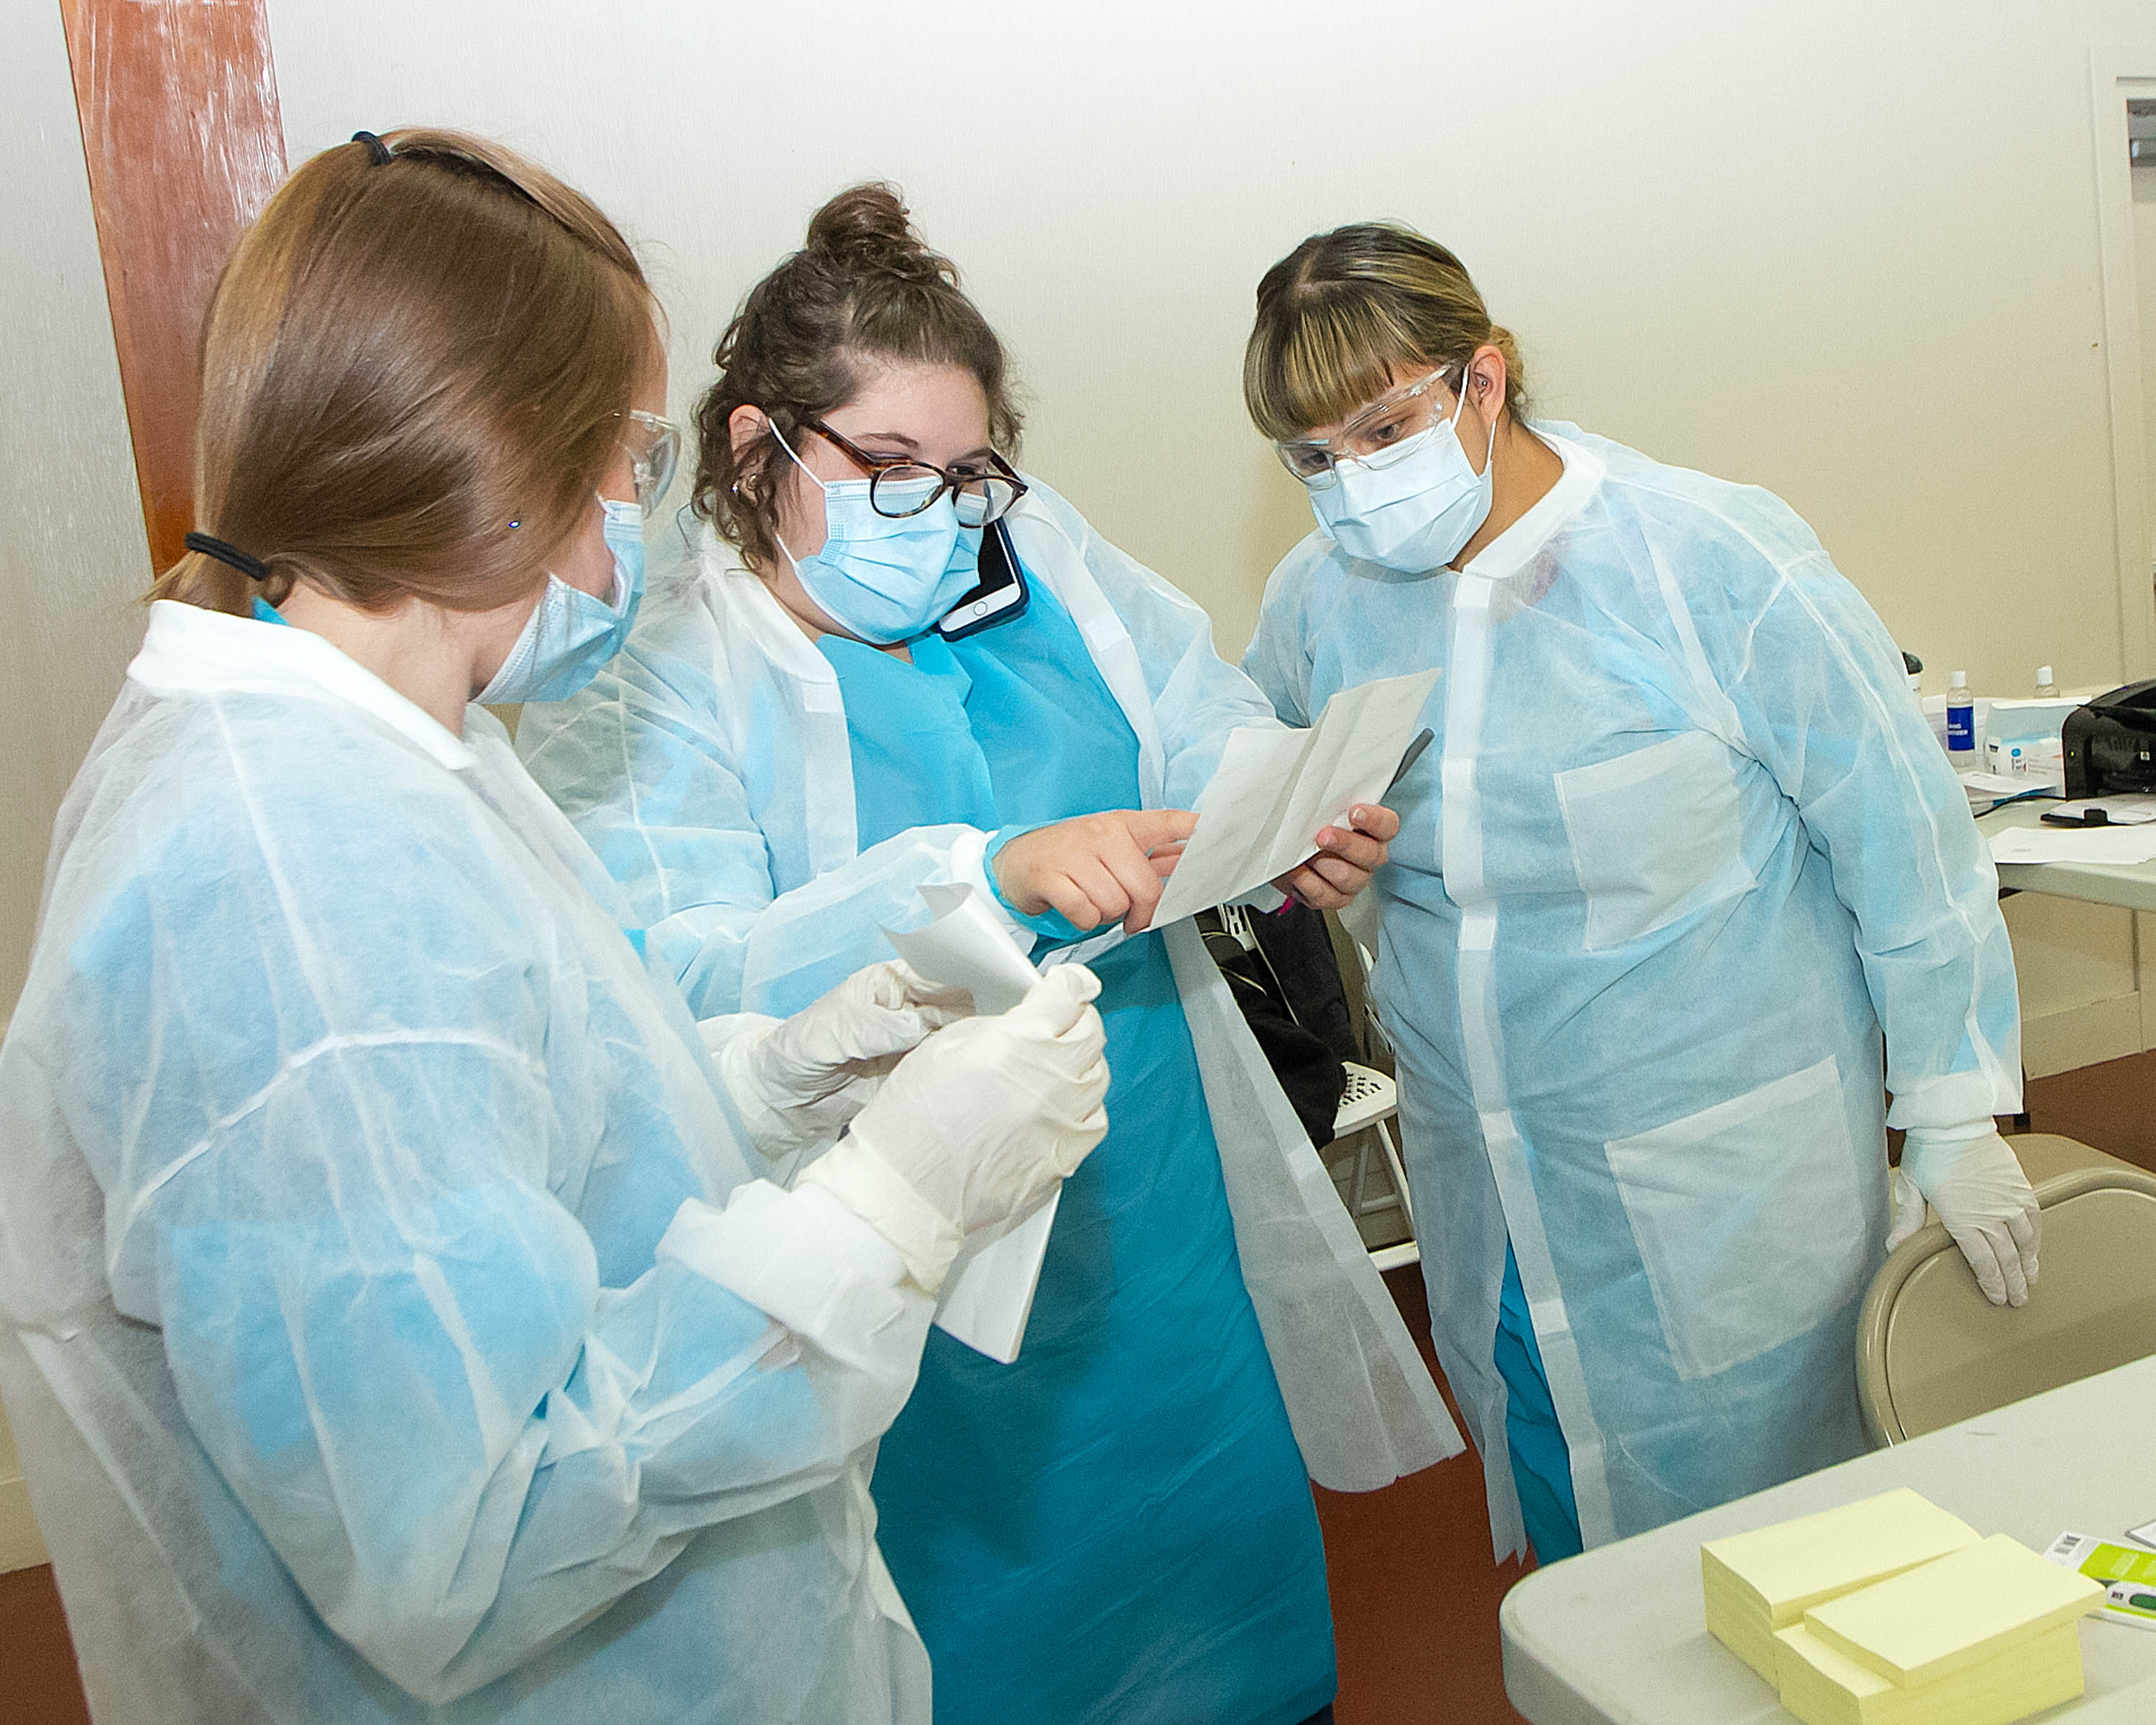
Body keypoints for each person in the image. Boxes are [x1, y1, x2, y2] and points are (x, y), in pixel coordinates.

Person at [0, 130, 1111, 1725]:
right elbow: (470, 1534)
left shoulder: (400, 753)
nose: (634, 517)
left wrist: (770, 1083)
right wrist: (891, 1208)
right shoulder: (292, 869)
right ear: (498, 456)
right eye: (630, 457)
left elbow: (509, 1170)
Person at [517, 185, 1462, 1725]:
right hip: (897, 1238)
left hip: (1153, 1199)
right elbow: (667, 983)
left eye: (962, 472)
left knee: (1231, 1613)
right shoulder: (657, 671)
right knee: (985, 1644)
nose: (939, 509)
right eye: (883, 469)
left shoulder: (1026, 544)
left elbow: (1196, 705)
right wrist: (987, 875)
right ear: (757, 448)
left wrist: (1270, 811)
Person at [1238, 221, 2039, 1567]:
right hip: (1481, 1172)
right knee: (1578, 1561)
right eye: (1312, 458)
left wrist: (1953, 1112)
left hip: (1722, 1178)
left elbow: (1906, 841)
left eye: (1382, 431)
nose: (1350, 484)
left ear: (1480, 383)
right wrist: (1283, 843)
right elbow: (1263, 770)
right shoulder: (1323, 597)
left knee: (1784, 1554)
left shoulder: (1705, 558)